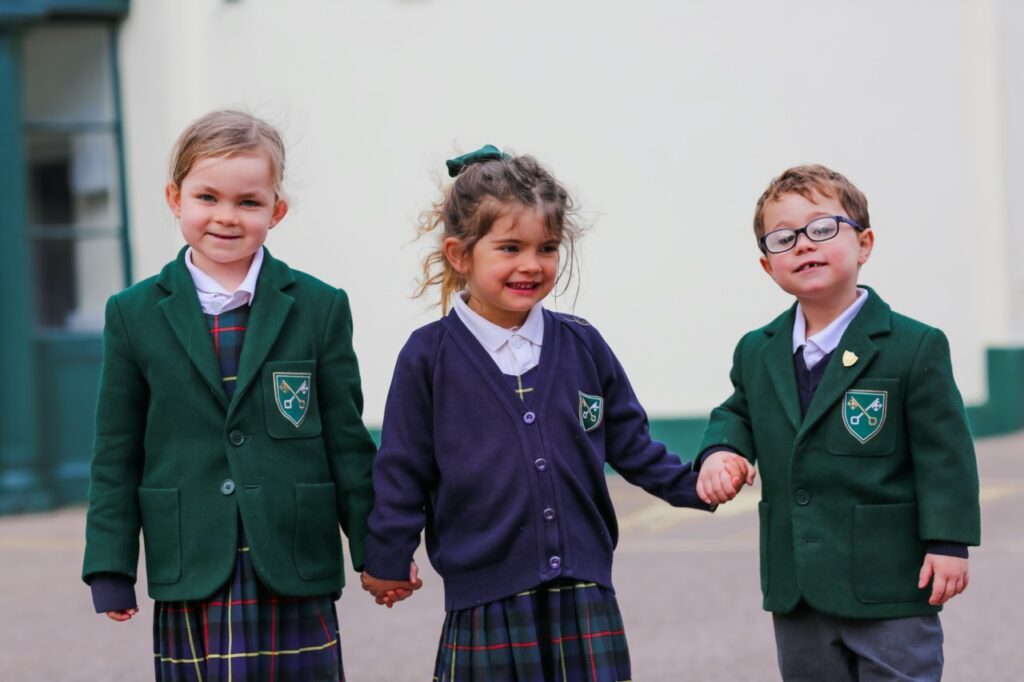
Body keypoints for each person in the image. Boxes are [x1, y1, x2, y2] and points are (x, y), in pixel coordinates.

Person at [360, 145, 751, 681]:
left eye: (547, 247)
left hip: (584, 594)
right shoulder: (428, 357)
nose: (532, 264)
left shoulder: (583, 346)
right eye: (510, 247)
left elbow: (633, 445)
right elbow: (404, 468)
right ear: (459, 254)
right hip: (485, 602)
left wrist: (697, 485)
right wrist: (387, 556)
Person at [81, 110, 376, 681]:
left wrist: (376, 549)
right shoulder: (133, 314)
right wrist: (110, 566)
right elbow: (115, 453)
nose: (225, 217)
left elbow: (347, 440)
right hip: (192, 557)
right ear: (175, 198)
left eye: (248, 202)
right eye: (207, 197)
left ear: (276, 210)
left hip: (292, 557)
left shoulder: (319, 307)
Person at [697, 164, 981, 681]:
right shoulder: (758, 350)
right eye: (784, 238)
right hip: (797, 586)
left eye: (823, 228)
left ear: (865, 243)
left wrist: (949, 542)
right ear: (767, 266)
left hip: (889, 580)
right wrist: (722, 450)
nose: (804, 245)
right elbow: (738, 411)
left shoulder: (914, 346)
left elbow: (946, 454)